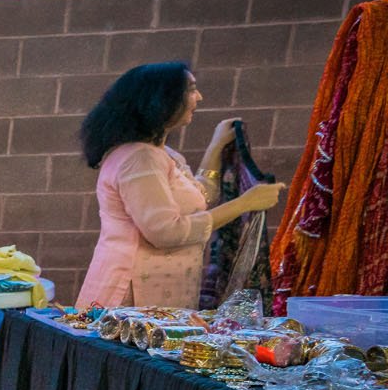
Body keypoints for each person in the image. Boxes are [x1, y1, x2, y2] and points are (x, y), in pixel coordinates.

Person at [74, 62, 283, 309]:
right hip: (130, 297)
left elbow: (201, 197)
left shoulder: (161, 154)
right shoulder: (139, 159)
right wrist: (245, 203)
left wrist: (215, 146)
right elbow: (165, 232)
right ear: (160, 99)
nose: (199, 97)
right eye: (191, 90)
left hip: (160, 292)